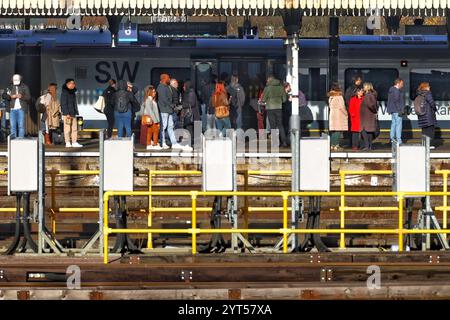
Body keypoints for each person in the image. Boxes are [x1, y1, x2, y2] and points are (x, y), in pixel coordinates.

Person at [157, 74, 187, 150]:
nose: (169, 79)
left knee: (170, 127)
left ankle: (174, 143)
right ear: (164, 78)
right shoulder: (161, 87)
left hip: (169, 110)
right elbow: (165, 99)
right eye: (168, 78)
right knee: (163, 127)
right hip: (164, 110)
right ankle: (162, 143)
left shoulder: (166, 87)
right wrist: (173, 106)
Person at [261, 75, 287, 147]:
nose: (266, 82)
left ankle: (275, 143)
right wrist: (279, 101)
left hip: (270, 108)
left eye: (267, 80)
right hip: (279, 108)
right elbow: (284, 99)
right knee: (280, 125)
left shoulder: (267, 88)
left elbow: (263, 99)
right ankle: (284, 142)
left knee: (273, 126)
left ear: (269, 80)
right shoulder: (281, 87)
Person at [3, 74, 30, 139]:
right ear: (12, 80)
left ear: (20, 79)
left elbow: (28, 97)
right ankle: (13, 141)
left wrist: (21, 96)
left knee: (21, 126)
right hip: (12, 109)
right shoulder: (9, 87)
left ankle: (20, 141)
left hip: (21, 109)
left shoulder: (24, 87)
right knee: (13, 126)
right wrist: (10, 96)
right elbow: (3, 95)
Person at [60, 78, 82, 147]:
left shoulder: (72, 92)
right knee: (67, 128)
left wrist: (75, 111)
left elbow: (74, 103)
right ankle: (67, 142)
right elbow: (63, 103)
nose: (74, 85)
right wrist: (66, 113)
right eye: (72, 83)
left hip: (73, 112)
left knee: (74, 128)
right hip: (67, 114)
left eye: (74, 83)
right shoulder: (64, 92)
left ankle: (74, 142)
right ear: (67, 84)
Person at [328, 83, 348, 151]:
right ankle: (336, 145)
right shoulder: (339, 96)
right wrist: (346, 114)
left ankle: (332, 145)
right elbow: (342, 107)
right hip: (339, 115)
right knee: (338, 130)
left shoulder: (331, 96)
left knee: (333, 130)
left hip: (333, 114)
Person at [360, 82, 379, 151]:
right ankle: (369, 146)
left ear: (367, 87)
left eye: (364, 86)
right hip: (369, 115)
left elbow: (371, 105)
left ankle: (367, 146)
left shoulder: (368, 95)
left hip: (366, 116)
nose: (363, 88)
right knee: (369, 131)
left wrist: (373, 110)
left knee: (364, 130)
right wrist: (374, 111)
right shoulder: (372, 95)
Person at [142, 85, 161, 150]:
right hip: (152, 119)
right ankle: (155, 144)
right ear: (150, 92)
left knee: (150, 132)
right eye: (153, 92)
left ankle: (149, 144)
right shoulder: (149, 100)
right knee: (155, 131)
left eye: (155, 92)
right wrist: (155, 120)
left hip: (152, 119)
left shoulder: (150, 99)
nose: (155, 93)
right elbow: (150, 111)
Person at [386, 78, 405, 145]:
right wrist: (400, 110)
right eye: (401, 84)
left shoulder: (391, 90)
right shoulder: (396, 91)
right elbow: (397, 101)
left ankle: (392, 139)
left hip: (393, 110)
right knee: (398, 125)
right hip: (397, 111)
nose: (402, 85)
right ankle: (399, 141)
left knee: (393, 124)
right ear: (398, 83)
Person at [181, 80, 199, 149]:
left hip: (192, 114)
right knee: (190, 129)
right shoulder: (190, 92)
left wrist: (182, 105)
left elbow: (191, 103)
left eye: (184, 86)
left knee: (189, 129)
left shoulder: (191, 93)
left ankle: (189, 144)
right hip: (193, 114)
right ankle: (190, 144)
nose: (183, 87)